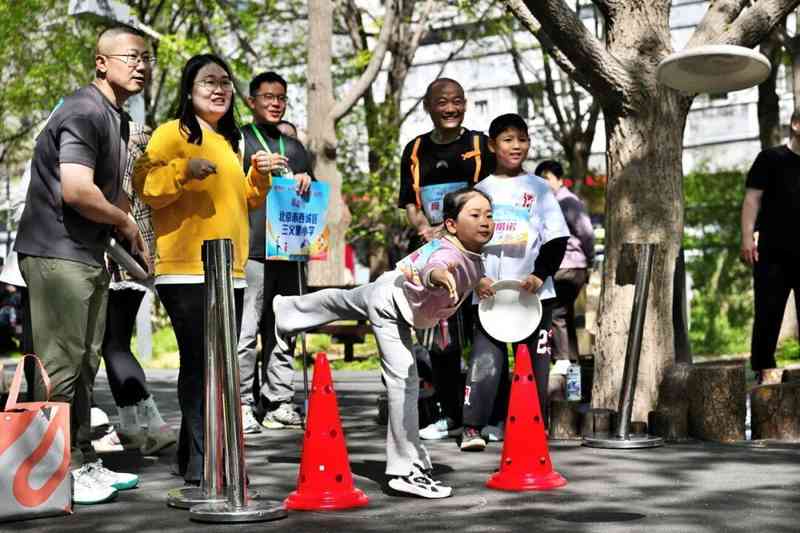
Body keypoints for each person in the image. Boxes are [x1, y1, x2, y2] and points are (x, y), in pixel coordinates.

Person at [271, 187, 494, 498]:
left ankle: (288, 310)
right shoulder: (447, 254)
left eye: (489, 214)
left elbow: (472, 270)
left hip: (389, 289)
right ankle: (404, 471)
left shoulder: (471, 254)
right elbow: (434, 269)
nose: (485, 221)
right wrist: (440, 278)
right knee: (404, 379)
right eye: (475, 214)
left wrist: (480, 282)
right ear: (452, 224)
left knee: (342, 301)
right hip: (391, 306)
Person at [14, 25, 151, 505]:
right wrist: (125, 224)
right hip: (56, 252)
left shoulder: (117, 118)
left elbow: (111, 193)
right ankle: (49, 475)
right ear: (101, 62)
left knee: (85, 363)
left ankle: (81, 460)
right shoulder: (83, 109)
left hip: (86, 254)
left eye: (146, 58)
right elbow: (76, 189)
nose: (141, 65)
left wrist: (131, 227)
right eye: (131, 56)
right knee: (58, 369)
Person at [133, 54, 272, 485]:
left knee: (215, 364)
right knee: (202, 363)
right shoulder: (171, 133)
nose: (219, 89)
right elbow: (146, 186)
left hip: (228, 268)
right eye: (208, 81)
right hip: (185, 268)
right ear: (189, 90)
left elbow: (243, 201)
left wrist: (258, 176)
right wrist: (183, 169)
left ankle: (191, 457)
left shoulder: (230, 142)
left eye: (226, 82)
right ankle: (204, 461)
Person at [461, 114, 568, 451]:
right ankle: (473, 428)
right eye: (507, 139)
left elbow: (556, 238)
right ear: (493, 145)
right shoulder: (480, 191)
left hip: (534, 295)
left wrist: (540, 274)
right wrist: (476, 277)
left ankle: (529, 425)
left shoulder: (539, 188)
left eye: (522, 139)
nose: (516, 146)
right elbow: (465, 242)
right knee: (486, 362)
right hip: (490, 296)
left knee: (534, 363)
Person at [398, 77, 494, 441]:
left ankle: (484, 417)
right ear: (428, 106)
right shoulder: (415, 149)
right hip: (437, 257)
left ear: (466, 103)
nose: (450, 108)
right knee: (443, 341)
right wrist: (426, 229)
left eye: (456, 101)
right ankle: (450, 415)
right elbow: (409, 200)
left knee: (484, 336)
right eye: (442, 102)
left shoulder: (479, 144)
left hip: (478, 257)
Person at [237, 72, 313, 433]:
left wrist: (306, 180)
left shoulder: (294, 148)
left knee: (284, 328)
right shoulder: (238, 139)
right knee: (246, 331)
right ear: (252, 101)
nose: (274, 103)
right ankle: (242, 401)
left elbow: (310, 192)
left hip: (288, 249)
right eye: (266, 96)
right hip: (250, 248)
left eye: (280, 97)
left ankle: (278, 400)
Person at [101, 122, 176, 455]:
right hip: (143, 248)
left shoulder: (111, 132)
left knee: (112, 343)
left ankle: (155, 423)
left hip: (115, 247)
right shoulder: (147, 133)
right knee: (117, 341)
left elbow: (121, 195)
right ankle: (131, 427)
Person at [741, 110, 800, 383]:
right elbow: (752, 199)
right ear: (796, 125)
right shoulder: (770, 159)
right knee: (768, 311)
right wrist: (746, 236)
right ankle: (765, 371)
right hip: (773, 252)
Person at [535, 160, 595, 382]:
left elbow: (586, 232)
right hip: (562, 266)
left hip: (570, 265)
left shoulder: (567, 201)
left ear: (559, 179)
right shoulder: (548, 203)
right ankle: (572, 377)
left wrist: (590, 261)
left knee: (557, 311)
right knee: (566, 316)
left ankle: (562, 361)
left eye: (547, 178)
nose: (544, 183)